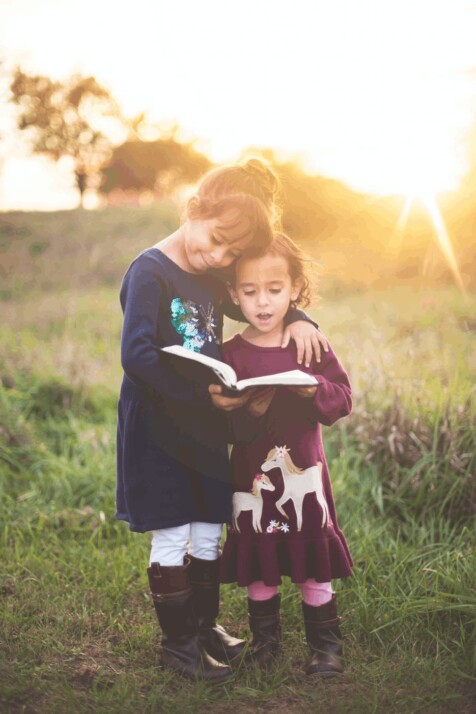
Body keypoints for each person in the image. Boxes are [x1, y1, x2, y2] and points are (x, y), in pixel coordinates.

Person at [116, 159, 328, 683]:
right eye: (215, 241)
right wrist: (199, 394)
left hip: (207, 427)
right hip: (160, 426)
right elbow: (137, 355)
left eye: (231, 253)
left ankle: (205, 628)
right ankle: (178, 646)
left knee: (209, 528)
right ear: (193, 210)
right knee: (172, 531)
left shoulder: (212, 275)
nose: (219, 257)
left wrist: (298, 316)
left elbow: (256, 305)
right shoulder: (150, 270)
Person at [219, 233, 353, 677]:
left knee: (312, 560)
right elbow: (220, 426)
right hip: (251, 477)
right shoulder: (230, 355)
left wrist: (313, 388)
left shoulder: (309, 342)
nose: (262, 302)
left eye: (274, 290)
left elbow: (342, 399)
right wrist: (247, 411)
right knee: (260, 561)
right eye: (249, 291)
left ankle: (325, 646)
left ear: (295, 288)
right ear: (233, 294)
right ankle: (265, 643)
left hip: (304, 473)